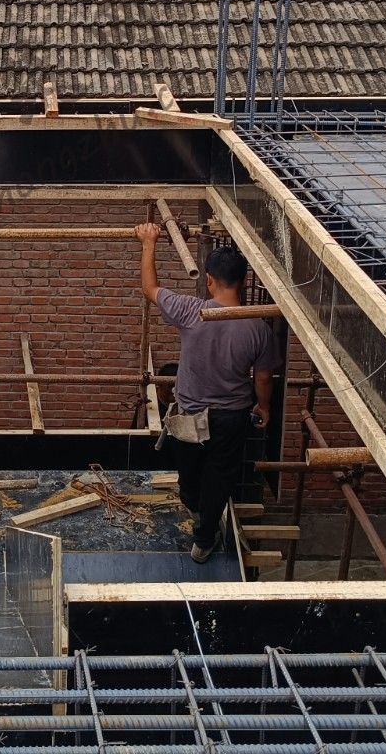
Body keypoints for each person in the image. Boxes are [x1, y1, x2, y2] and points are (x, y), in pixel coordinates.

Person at [134, 223, 282, 562]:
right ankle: (203, 542)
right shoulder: (259, 327)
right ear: (244, 280)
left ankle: (194, 505)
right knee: (220, 477)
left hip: (191, 415)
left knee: (190, 475)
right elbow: (262, 378)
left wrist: (149, 241)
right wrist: (263, 407)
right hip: (232, 418)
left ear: (210, 280)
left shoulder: (191, 311)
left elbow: (149, 288)